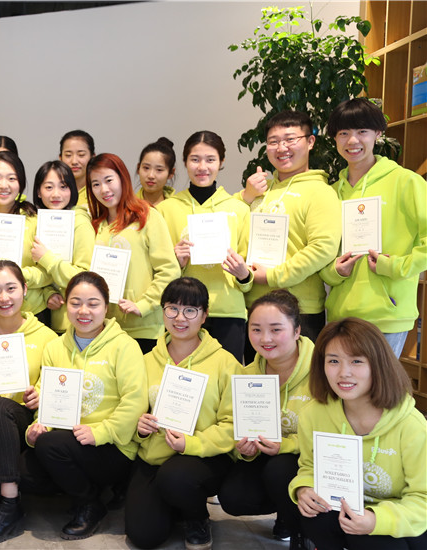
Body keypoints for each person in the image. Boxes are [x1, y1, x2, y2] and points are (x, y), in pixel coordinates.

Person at [289, 318, 426, 550]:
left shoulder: (412, 425)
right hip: (346, 508)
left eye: (357, 361)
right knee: (316, 518)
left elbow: (423, 498)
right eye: (333, 361)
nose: (344, 373)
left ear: (378, 365)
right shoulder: (313, 414)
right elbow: (309, 467)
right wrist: (304, 488)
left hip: (403, 520)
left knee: (370, 540)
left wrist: (377, 520)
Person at [125, 277, 240, 550]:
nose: (179, 318)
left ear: (204, 315)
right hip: (155, 456)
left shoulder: (226, 363)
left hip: (203, 457)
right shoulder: (144, 361)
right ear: (162, 310)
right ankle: (175, 503)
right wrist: (140, 428)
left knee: (177, 478)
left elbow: (231, 423)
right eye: (172, 308)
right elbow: (132, 410)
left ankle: (196, 516)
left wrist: (192, 444)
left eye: (190, 310)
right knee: (144, 536)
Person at [30, 272, 147, 540]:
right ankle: (91, 489)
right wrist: (37, 425)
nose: (83, 311)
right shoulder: (55, 347)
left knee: (50, 447)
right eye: (75, 303)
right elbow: (47, 395)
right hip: (70, 439)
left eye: (93, 304)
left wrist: (100, 432)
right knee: (26, 471)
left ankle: (90, 504)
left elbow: (135, 400)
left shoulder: (125, 346)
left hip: (113, 445)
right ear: (66, 305)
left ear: (106, 307)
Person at [321, 98, 426, 358]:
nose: (352, 141)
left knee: (380, 385)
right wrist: (334, 272)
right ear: (334, 138)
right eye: (343, 133)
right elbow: (322, 250)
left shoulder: (406, 182)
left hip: (388, 314)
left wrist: (395, 266)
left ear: (378, 134)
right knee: (345, 384)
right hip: (341, 316)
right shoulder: (331, 193)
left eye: (362, 131)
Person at [0, 261, 58, 544]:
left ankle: (9, 504)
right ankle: (7, 488)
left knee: (1, 407)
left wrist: (40, 395)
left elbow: (58, 389)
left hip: (26, 428)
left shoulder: (47, 337)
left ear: (25, 289)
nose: (4, 297)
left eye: (11, 288)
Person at [238, 111, 341, 351]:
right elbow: (230, 223)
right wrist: (245, 196)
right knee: (255, 374)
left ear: (310, 141)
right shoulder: (259, 191)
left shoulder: (321, 192)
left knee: (299, 376)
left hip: (299, 310)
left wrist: (272, 276)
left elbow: (323, 248)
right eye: (273, 141)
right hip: (253, 306)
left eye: (290, 139)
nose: (281, 148)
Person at [217, 290, 313, 547]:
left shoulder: (322, 370)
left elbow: (334, 433)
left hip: (310, 461)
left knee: (280, 469)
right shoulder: (246, 375)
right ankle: (286, 511)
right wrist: (245, 450)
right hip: (266, 457)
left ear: (296, 331)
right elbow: (235, 426)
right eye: (256, 329)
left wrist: (286, 445)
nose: (265, 338)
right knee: (233, 497)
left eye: (276, 329)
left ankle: (302, 532)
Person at [157, 131, 252, 362]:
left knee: (225, 379)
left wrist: (243, 274)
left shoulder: (239, 209)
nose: (202, 167)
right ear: (185, 162)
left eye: (210, 160)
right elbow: (157, 272)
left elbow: (249, 278)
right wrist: (176, 262)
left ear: (221, 162)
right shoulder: (165, 210)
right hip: (182, 312)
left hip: (228, 311)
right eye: (195, 159)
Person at [87, 153, 180, 353]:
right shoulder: (95, 225)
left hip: (144, 328)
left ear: (123, 178)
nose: (104, 189)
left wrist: (144, 305)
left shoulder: (146, 216)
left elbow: (169, 270)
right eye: (95, 184)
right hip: (105, 330)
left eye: (109, 180)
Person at [0, 150, 51, 317]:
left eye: (12, 179)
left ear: (21, 182)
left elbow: (48, 272)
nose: (4, 185)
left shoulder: (35, 220)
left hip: (32, 311)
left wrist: (16, 276)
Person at [29, 160, 95, 333]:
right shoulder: (37, 222)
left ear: (72, 189)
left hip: (75, 321)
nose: (56, 194)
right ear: (38, 191)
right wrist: (48, 293)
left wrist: (46, 258)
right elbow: (43, 274)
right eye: (48, 187)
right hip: (45, 317)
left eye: (63, 187)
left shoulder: (80, 223)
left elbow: (84, 276)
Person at [135, 137, 176, 207]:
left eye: (159, 170)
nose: (151, 175)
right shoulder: (127, 208)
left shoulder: (178, 207)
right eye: (146, 168)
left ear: (171, 173)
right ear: (138, 168)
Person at [59, 130, 95, 208]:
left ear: (92, 157)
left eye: (81, 155)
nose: (74, 161)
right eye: (68, 155)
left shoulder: (99, 192)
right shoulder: (53, 192)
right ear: (60, 158)